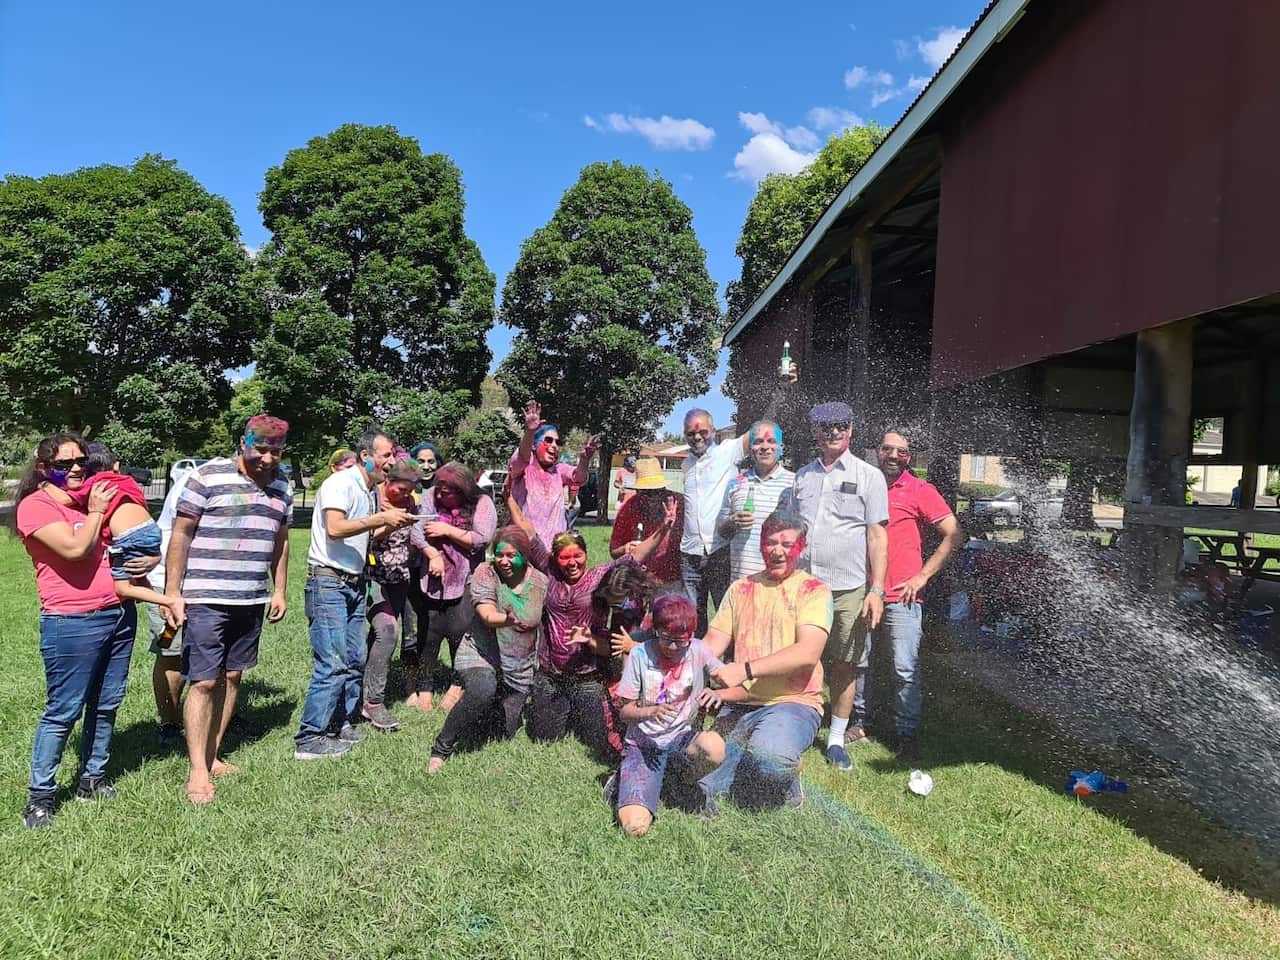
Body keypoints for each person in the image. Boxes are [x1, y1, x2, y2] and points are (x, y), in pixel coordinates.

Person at [10, 433, 160, 829]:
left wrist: (146, 559)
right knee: (64, 711)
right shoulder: (34, 507)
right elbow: (75, 550)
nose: (76, 469)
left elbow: (127, 539)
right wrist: (95, 513)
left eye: (81, 462)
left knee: (108, 703)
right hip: (71, 621)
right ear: (44, 469)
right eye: (64, 465)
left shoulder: (86, 498)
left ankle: (92, 779)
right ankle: (40, 797)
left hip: (118, 613)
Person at [165, 416, 293, 804]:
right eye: (261, 448)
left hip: (251, 597)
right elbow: (181, 534)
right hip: (206, 596)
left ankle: (213, 753)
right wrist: (173, 592)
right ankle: (198, 771)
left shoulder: (283, 484)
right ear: (243, 443)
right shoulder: (207, 476)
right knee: (204, 680)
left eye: (276, 450)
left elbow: (281, 540)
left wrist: (280, 589)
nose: (268, 458)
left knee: (233, 675)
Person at [512, 490, 674, 757]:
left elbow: (635, 557)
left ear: (586, 555)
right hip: (551, 675)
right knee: (543, 736)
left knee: (595, 738)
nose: (572, 563)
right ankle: (561, 708)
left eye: (577, 556)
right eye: (565, 557)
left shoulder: (600, 577)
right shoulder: (549, 571)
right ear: (555, 559)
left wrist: (663, 528)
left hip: (587, 675)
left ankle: (584, 706)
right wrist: (509, 495)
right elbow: (528, 532)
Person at [294, 428, 415, 760]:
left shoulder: (368, 489)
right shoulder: (341, 483)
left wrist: (393, 524)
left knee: (354, 658)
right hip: (328, 581)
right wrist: (381, 517)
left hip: (355, 581)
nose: (392, 461)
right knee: (332, 662)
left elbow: (367, 535)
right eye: (387, 455)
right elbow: (335, 528)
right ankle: (309, 738)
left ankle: (340, 723)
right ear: (367, 456)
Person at [781, 401, 889, 771]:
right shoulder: (802, 478)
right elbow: (792, 531)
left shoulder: (869, 476)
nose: (834, 433)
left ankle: (837, 740)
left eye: (841, 426)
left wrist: (877, 590)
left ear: (851, 430)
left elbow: (877, 537)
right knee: (800, 659)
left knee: (845, 665)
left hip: (849, 589)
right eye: (826, 427)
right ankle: (794, 727)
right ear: (816, 433)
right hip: (805, 588)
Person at [701, 510, 833, 810]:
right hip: (739, 700)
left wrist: (744, 669)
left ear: (802, 546)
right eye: (770, 542)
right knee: (702, 771)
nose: (777, 551)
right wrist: (673, 665)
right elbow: (711, 644)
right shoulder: (741, 588)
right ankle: (745, 758)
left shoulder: (814, 591)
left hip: (794, 702)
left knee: (770, 758)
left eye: (787, 544)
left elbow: (807, 652)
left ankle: (785, 770)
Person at [873, 429, 965, 761]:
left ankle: (906, 736)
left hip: (902, 595)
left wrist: (922, 576)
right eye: (887, 449)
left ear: (909, 457)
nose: (893, 456)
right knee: (858, 663)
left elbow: (954, 534)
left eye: (901, 451)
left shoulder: (919, 490)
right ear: (878, 451)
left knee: (904, 668)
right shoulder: (865, 484)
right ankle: (858, 723)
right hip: (864, 591)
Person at [429, 524, 548, 773]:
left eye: (511, 555)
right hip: (481, 653)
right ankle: (441, 748)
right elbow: (486, 614)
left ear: (524, 556)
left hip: (518, 664)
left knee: (504, 732)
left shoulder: (540, 583)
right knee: (482, 688)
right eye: (499, 554)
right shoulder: (485, 572)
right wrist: (506, 620)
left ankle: (485, 709)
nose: (503, 561)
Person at [607, 594, 728, 836]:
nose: (673, 647)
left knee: (713, 746)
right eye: (666, 639)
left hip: (680, 739)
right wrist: (649, 711)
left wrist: (721, 694)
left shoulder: (699, 650)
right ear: (655, 630)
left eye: (680, 641)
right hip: (644, 745)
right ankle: (622, 781)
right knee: (635, 828)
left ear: (691, 635)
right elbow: (625, 712)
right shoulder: (639, 656)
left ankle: (678, 781)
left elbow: (728, 678)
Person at [409, 462, 497, 710]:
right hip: (432, 579)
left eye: (446, 492)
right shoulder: (429, 497)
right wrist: (432, 554)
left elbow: (482, 539)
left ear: (462, 489)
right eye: (438, 489)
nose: (439, 495)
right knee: (429, 634)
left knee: (460, 632)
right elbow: (416, 532)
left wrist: (447, 530)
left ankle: (457, 685)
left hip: (466, 578)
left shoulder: (481, 502)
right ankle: (424, 686)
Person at [66, 443, 181, 617]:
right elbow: (141, 501)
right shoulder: (127, 481)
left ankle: (168, 601)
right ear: (116, 466)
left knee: (122, 588)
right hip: (150, 529)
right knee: (135, 568)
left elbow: (66, 499)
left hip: (130, 536)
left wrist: (44, 486)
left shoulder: (94, 485)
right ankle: (144, 584)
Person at [361, 457, 429, 732]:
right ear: (388, 481)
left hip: (399, 577)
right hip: (372, 576)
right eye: (400, 489)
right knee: (388, 632)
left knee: (377, 638)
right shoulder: (373, 499)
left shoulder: (411, 502)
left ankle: (361, 692)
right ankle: (374, 701)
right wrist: (391, 524)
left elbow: (415, 536)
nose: (405, 494)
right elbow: (363, 536)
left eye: (410, 490)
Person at [507, 399, 598, 567]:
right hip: (526, 551)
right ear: (534, 445)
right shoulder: (523, 468)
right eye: (548, 440)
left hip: (556, 553)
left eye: (557, 442)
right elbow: (521, 457)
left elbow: (579, 478)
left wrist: (585, 459)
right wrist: (530, 432)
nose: (554, 446)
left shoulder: (559, 470)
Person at [146, 465, 196, 748]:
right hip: (167, 586)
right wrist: (169, 594)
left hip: (203, 587)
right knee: (170, 650)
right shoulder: (195, 483)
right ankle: (169, 723)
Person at [718, 420, 795, 582]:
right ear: (750, 449)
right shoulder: (735, 482)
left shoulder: (795, 484)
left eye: (771, 441)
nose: (765, 447)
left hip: (779, 584)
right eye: (758, 441)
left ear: (781, 447)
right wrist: (732, 522)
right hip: (742, 584)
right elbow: (722, 532)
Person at [608, 457, 683, 586]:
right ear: (638, 491)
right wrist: (625, 549)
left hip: (675, 582)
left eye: (658, 491)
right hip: (639, 582)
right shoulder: (628, 509)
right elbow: (614, 552)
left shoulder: (680, 503)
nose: (652, 497)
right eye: (647, 493)